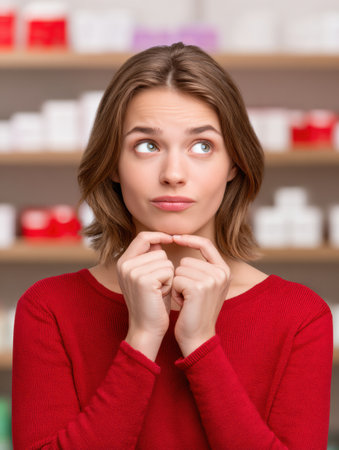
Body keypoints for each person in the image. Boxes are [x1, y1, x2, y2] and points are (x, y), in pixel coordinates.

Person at [12, 42, 333, 449]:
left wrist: (200, 344)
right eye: (147, 145)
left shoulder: (300, 317)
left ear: (234, 163)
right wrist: (142, 337)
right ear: (112, 162)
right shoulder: (49, 309)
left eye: (202, 146)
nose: (174, 174)